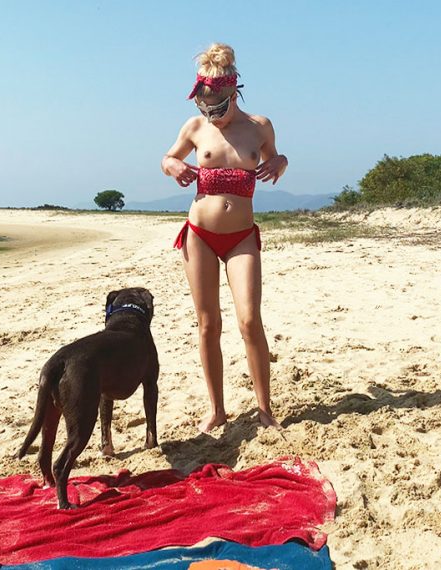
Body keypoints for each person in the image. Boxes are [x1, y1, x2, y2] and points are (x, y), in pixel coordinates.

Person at [160, 43, 288, 433]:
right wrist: (173, 166)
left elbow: (275, 156)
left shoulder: (259, 126)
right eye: (204, 108)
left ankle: (264, 408)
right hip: (199, 235)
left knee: (249, 321)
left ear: (234, 95)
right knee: (208, 324)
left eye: (216, 109)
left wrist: (280, 162)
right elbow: (167, 158)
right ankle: (217, 409)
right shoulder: (195, 128)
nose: (210, 116)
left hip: (241, 238)